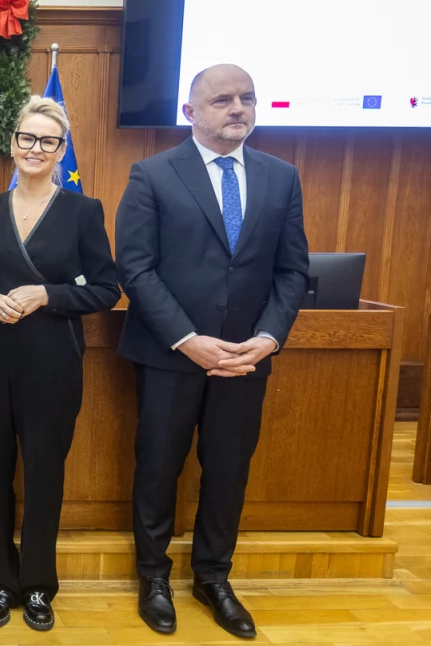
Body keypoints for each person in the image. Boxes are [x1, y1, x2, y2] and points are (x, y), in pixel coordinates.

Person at [115, 64, 309, 639]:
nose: (238, 108)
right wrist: (189, 339)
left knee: (228, 470)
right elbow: (136, 267)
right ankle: (152, 576)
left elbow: (292, 271)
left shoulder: (281, 177)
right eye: (222, 99)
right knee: (158, 468)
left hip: (246, 359)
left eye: (247, 98)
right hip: (172, 354)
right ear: (190, 111)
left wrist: (269, 337)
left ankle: (213, 576)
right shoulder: (151, 174)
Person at [0, 96, 120, 632]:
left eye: (48, 141)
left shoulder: (83, 211)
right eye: (27, 138)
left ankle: (37, 587)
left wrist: (47, 295)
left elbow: (106, 289)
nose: (35, 148)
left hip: (53, 363)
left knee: (46, 474)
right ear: (12, 144)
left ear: (61, 150)